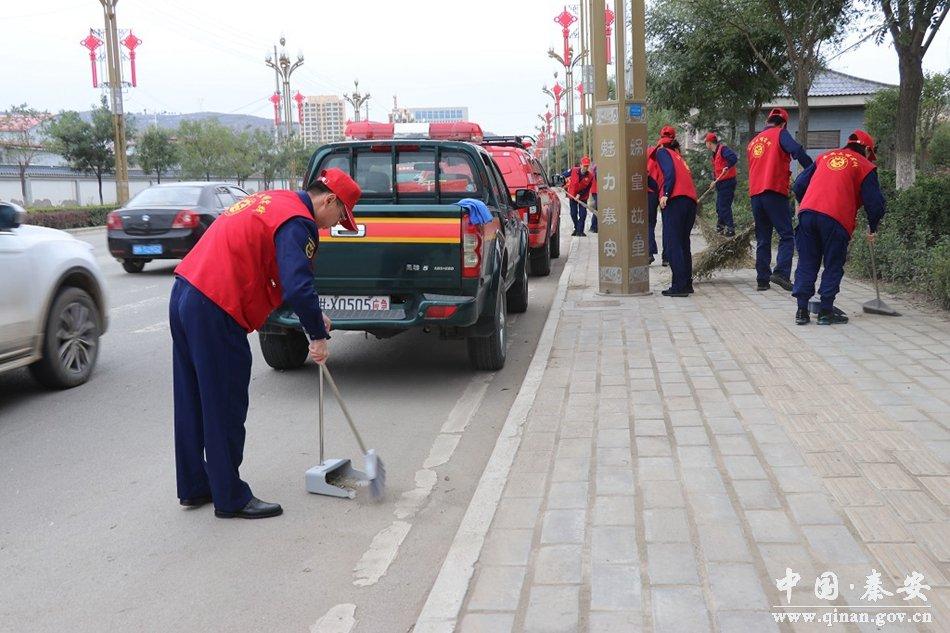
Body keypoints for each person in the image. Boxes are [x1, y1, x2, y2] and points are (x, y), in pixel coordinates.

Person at [170, 168, 362, 519]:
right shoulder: (298, 221)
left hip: (186, 292)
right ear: (329, 200)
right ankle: (230, 497)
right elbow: (297, 283)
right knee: (225, 401)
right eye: (339, 217)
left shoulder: (275, 200)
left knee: (193, 396)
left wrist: (314, 318)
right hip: (216, 304)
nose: (333, 225)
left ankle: (196, 485)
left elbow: (270, 268)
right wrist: (317, 338)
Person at [791, 130, 885, 325]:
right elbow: (874, 203)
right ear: (867, 149)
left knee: (807, 261)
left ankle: (801, 311)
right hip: (836, 218)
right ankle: (825, 312)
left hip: (807, 214)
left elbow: (799, 185)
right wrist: (872, 226)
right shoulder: (865, 166)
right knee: (833, 263)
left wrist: (808, 203)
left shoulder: (824, 157)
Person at [747, 107, 813, 292]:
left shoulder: (753, 142)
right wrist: (812, 170)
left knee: (763, 237)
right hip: (774, 192)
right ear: (783, 123)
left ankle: (762, 280)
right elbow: (797, 150)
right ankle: (781, 273)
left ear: (767, 122)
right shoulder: (780, 134)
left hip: (755, 195)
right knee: (786, 235)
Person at [655, 126, 698, 297]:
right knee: (683, 243)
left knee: (673, 244)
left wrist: (666, 193)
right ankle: (687, 283)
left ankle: (678, 287)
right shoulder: (679, 156)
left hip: (675, 200)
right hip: (690, 202)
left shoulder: (662, 152)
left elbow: (669, 173)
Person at [704, 132, 739, 236]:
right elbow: (717, 170)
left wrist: (727, 166)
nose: (706, 145)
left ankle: (730, 228)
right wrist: (714, 180)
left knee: (724, 206)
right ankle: (720, 227)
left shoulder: (723, 150)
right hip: (720, 183)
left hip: (727, 183)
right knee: (719, 207)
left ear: (709, 143)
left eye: (706, 143)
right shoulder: (714, 154)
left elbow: (733, 158)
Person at [566, 156, 596, 236]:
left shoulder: (590, 176)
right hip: (572, 195)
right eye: (584, 165)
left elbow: (587, 188)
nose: (585, 167)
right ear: (580, 165)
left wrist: (580, 195)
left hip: (583, 197)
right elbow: (564, 175)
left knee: (582, 214)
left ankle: (580, 231)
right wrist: (560, 180)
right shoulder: (574, 170)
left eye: (587, 166)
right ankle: (577, 228)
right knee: (573, 213)